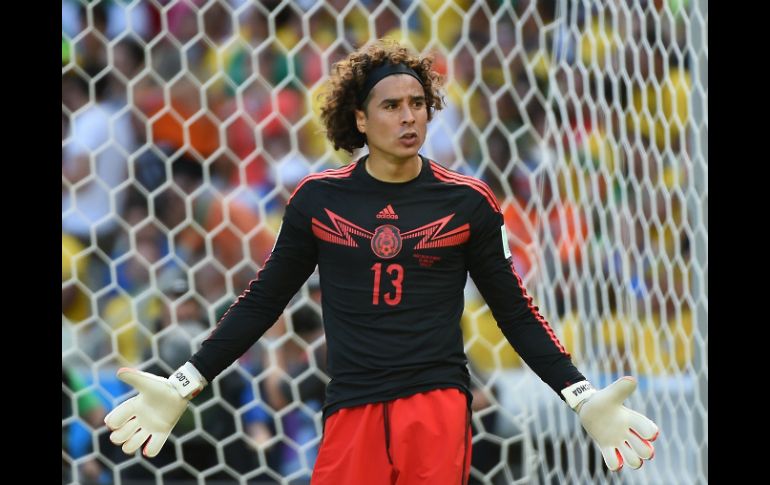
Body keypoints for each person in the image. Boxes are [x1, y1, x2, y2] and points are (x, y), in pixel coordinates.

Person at [104, 39, 659, 483]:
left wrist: (580, 395)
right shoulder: (318, 201)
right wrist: (185, 381)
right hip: (351, 407)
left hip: (436, 406)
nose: (409, 116)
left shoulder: (468, 202)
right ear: (361, 120)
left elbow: (514, 310)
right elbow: (262, 300)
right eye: (391, 106)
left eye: (417, 103)